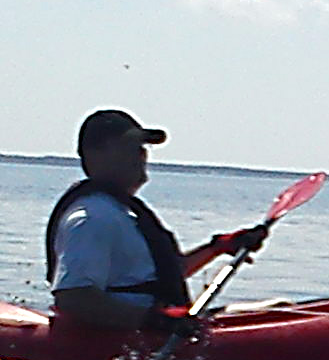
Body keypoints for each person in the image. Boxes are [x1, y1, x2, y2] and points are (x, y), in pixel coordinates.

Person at [45, 109, 268, 330]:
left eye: (143, 148)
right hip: (130, 335)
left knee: (278, 307)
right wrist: (155, 321)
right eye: (129, 147)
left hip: (163, 325)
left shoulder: (122, 212)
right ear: (96, 154)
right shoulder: (91, 219)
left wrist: (217, 248)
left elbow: (161, 276)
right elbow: (73, 298)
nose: (141, 155)